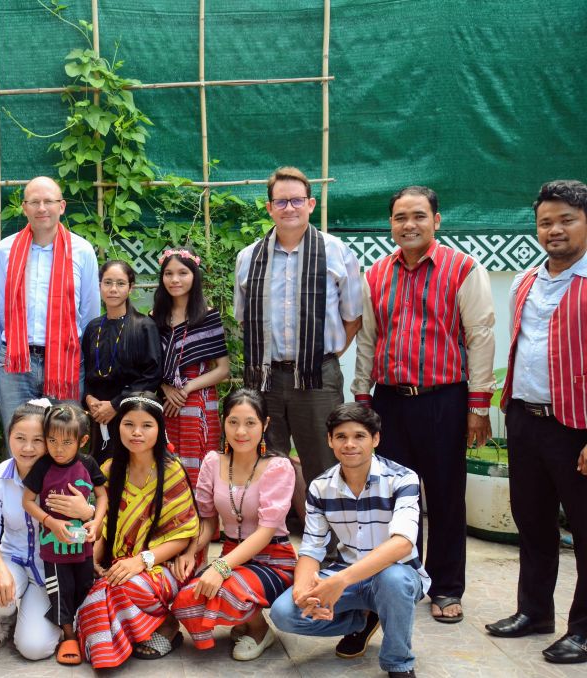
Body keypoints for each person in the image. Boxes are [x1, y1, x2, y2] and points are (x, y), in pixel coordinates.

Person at [352, 185, 495, 623]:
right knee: (391, 497)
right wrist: (362, 398)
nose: (408, 224)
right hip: (390, 403)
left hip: (444, 401)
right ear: (390, 224)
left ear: (437, 219)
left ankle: (447, 588)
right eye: (399, 217)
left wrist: (479, 406)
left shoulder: (464, 269)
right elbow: (368, 338)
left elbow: (481, 335)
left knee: (446, 496)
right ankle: (399, 578)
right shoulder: (375, 273)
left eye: (418, 215)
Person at [486, 180, 587, 665]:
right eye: (546, 221)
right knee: (533, 522)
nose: (555, 230)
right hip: (526, 419)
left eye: (566, 219)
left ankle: (585, 630)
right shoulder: (528, 280)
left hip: (578, 429)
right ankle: (535, 612)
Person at [235, 167, 362, 521]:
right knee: (266, 463)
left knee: (324, 461)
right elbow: (244, 318)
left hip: (318, 378)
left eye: (296, 200)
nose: (289, 207)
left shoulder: (336, 252)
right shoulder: (248, 258)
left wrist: (326, 357)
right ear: (269, 207)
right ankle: (271, 549)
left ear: (310, 203)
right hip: (266, 379)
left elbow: (353, 316)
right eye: (281, 201)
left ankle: (332, 549)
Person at [269, 403, 429, 678]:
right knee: (284, 613)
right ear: (330, 440)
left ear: (375, 439)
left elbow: (403, 543)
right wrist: (302, 592)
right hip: (347, 574)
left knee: (392, 580)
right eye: (341, 436)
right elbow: (311, 549)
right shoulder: (320, 487)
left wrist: (338, 582)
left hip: (397, 575)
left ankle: (398, 662)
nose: (350, 444)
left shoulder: (402, 479)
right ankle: (362, 619)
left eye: (359, 436)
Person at [170, 389, 297, 660]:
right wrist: (190, 553)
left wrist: (220, 566)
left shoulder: (278, 467)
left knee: (223, 588)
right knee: (185, 597)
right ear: (223, 422)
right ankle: (244, 617)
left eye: (250, 423)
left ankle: (260, 630)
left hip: (273, 559)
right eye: (233, 422)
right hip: (232, 556)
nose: (241, 431)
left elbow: (265, 532)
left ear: (265, 425)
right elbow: (206, 520)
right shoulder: (213, 462)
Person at [76, 393, 200, 668]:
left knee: (123, 586)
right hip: (117, 562)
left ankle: (167, 626)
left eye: (146, 425)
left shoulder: (172, 471)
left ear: (160, 429)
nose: (136, 433)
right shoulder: (108, 470)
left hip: (162, 564)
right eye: (128, 424)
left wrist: (139, 561)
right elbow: (103, 525)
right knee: (89, 580)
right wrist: (93, 560)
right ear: (118, 426)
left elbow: (182, 535)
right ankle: (133, 633)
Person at [0, 401, 97, 659]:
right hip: (13, 561)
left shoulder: (65, 474)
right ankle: (6, 617)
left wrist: (88, 512)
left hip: (50, 567)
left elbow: (93, 507)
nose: (28, 448)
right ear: (9, 436)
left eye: (38, 440)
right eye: (19, 438)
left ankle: (31, 616)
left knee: (34, 648)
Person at [0, 176, 100, 433]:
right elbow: (1, 309)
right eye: (35, 202)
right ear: (24, 207)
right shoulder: (5, 250)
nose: (42, 208)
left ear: (61, 206)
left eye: (48, 201)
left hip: (66, 361)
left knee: (66, 438)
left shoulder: (82, 251)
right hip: (16, 363)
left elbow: (90, 312)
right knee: (18, 438)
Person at [21, 404, 107, 665]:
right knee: (60, 591)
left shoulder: (88, 464)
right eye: (52, 440)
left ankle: (84, 629)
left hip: (83, 548)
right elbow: (28, 501)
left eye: (67, 442)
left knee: (83, 587)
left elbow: (103, 495)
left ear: (82, 440)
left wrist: (96, 520)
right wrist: (50, 522)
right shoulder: (43, 466)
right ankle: (68, 636)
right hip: (54, 551)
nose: (58, 448)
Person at [152, 248, 230, 486]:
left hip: (199, 401)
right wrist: (166, 387)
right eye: (168, 273)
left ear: (194, 275)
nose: (175, 280)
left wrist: (186, 389)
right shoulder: (154, 317)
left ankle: (201, 519)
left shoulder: (208, 316)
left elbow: (223, 369)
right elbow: (150, 364)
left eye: (182, 273)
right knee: (166, 461)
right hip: (165, 402)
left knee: (200, 462)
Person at [82, 260, 162, 462]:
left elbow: (152, 375)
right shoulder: (93, 328)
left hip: (131, 413)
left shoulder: (144, 326)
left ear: (131, 287)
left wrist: (117, 404)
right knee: (101, 472)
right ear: (99, 285)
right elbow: (86, 372)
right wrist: (89, 399)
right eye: (107, 283)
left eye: (120, 283)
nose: (113, 289)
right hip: (98, 414)